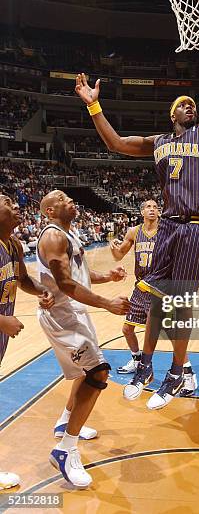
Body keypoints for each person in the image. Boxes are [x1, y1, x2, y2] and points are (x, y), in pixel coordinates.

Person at [75, 21, 199, 410]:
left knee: (180, 298)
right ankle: (146, 364)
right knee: (153, 293)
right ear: (172, 114)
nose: (191, 107)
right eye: (183, 104)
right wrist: (93, 104)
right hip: (172, 226)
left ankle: (177, 369)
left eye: (193, 104)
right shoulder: (157, 143)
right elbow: (117, 144)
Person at [36, 190, 130, 488]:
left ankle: (65, 421)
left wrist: (108, 276)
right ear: (50, 211)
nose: (69, 200)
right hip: (63, 315)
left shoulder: (68, 233)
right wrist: (106, 302)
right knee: (98, 372)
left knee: (85, 370)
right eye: (61, 199)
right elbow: (64, 283)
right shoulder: (53, 237)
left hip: (73, 312)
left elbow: (80, 275)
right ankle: (65, 449)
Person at [110, 198, 198, 397]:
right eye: (148, 207)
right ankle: (137, 360)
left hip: (160, 288)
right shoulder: (133, 232)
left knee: (171, 334)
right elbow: (119, 255)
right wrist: (113, 248)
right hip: (141, 287)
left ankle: (189, 375)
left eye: (155, 207)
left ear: (159, 212)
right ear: (142, 212)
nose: (152, 210)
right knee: (127, 329)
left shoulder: (166, 231)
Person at [0, 194, 55, 490]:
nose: (17, 206)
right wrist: (1, 320)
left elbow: (21, 279)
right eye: (8, 203)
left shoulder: (13, 244)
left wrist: (41, 291)